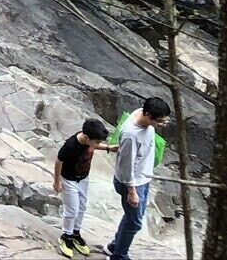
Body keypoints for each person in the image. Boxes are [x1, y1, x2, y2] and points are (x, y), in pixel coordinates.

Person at [106, 95, 171, 260]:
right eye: (160, 122)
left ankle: (114, 246)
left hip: (143, 178)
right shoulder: (131, 135)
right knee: (135, 222)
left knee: (131, 217)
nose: (162, 125)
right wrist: (132, 191)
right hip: (132, 183)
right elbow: (126, 166)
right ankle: (119, 256)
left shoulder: (140, 113)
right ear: (148, 116)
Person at [51, 116, 109, 256]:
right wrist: (57, 181)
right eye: (96, 142)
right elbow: (58, 162)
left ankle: (76, 233)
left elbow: (95, 145)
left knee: (82, 207)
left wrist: (108, 148)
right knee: (72, 210)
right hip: (69, 180)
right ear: (87, 137)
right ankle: (66, 236)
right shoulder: (70, 145)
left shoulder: (90, 140)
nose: (97, 144)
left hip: (83, 179)